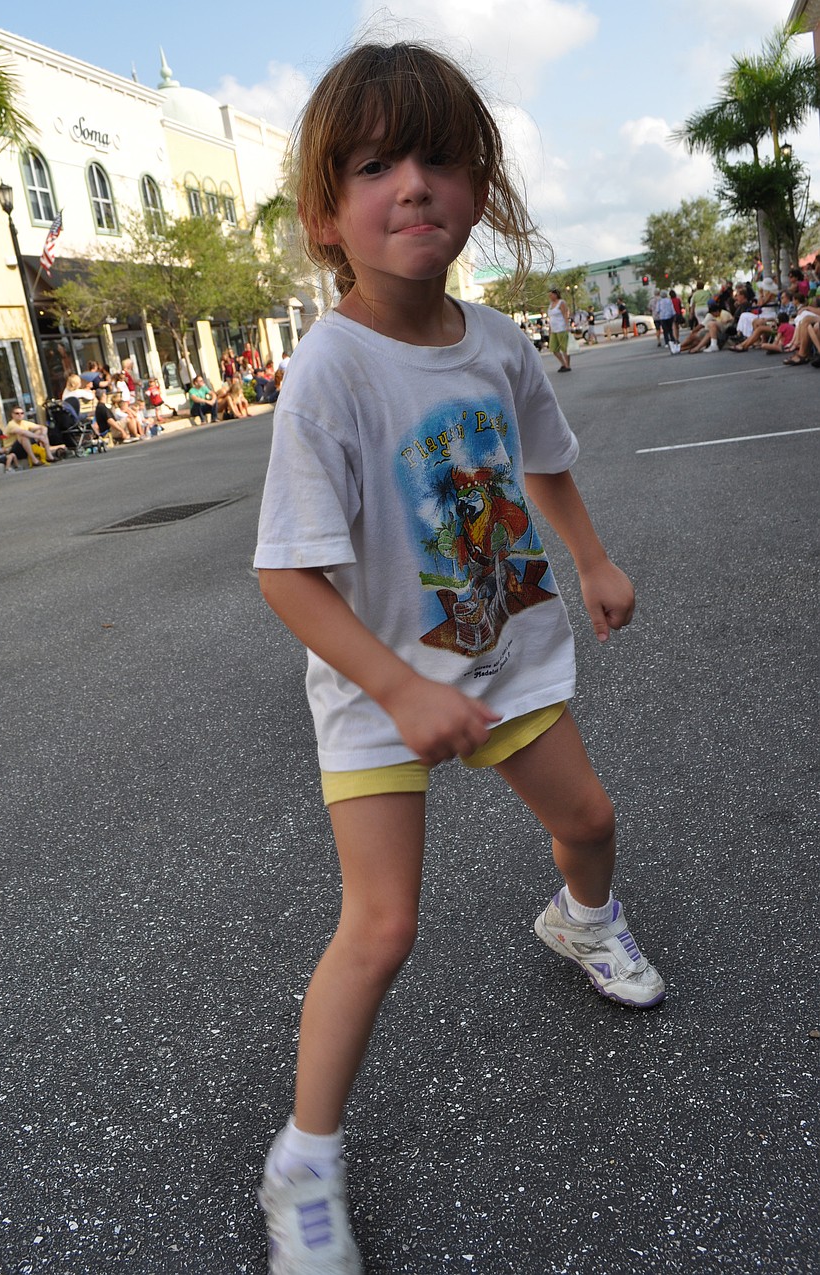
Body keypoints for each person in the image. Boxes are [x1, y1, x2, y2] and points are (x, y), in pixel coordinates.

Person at [252, 40, 665, 1274]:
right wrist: (394, 686)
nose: (414, 185)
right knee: (380, 929)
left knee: (590, 821)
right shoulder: (326, 371)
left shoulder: (495, 342)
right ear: (328, 213)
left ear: (480, 189)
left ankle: (579, 921)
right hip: (385, 695)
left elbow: (543, 458)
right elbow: (285, 572)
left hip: (505, 653)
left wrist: (588, 559)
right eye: (376, 164)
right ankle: (303, 1162)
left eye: (440, 158)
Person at [547, 287, 571, 371]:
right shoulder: (550, 305)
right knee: (554, 348)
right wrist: (549, 330)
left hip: (561, 328)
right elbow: (550, 318)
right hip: (554, 329)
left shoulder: (561, 303)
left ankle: (567, 365)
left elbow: (565, 314)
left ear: (556, 294)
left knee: (564, 348)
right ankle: (563, 363)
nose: (550, 296)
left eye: (551, 295)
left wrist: (567, 326)